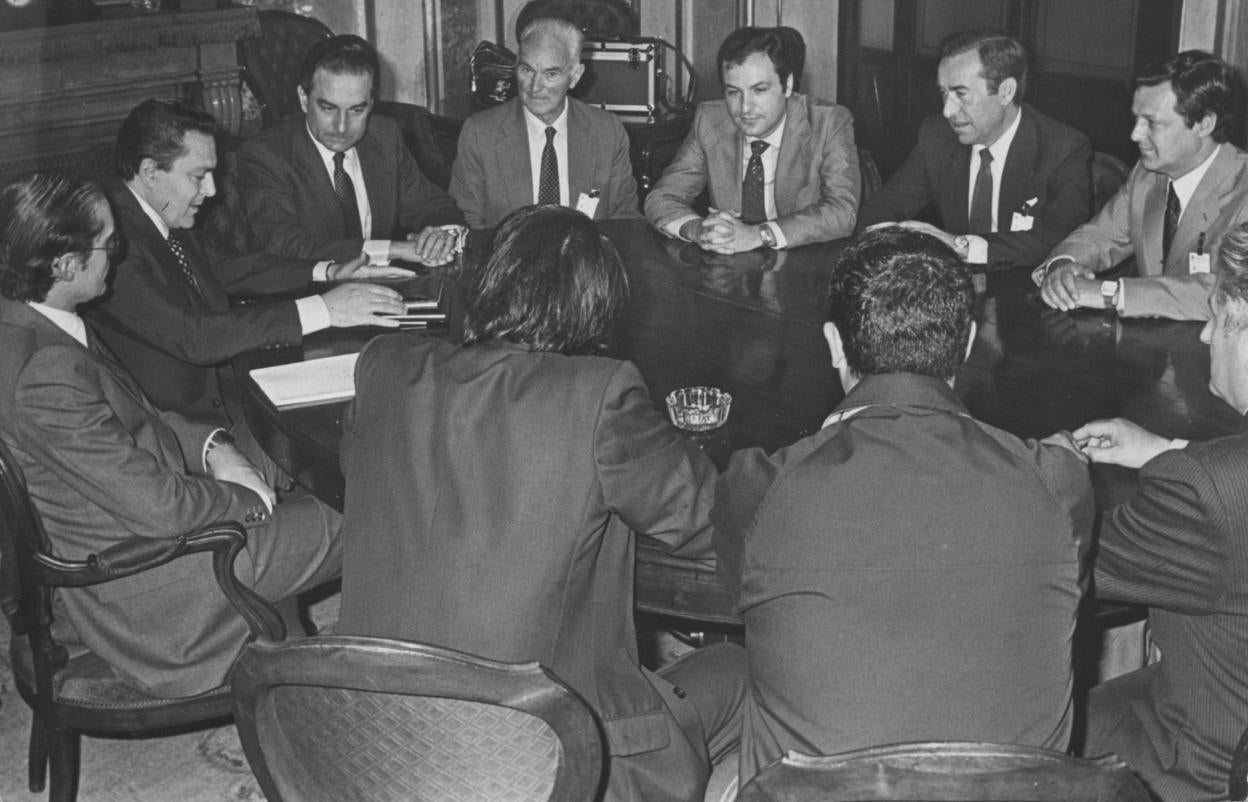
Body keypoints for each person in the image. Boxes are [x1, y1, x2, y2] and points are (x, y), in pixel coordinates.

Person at [336, 205, 745, 802]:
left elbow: (359, 469)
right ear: (597, 307)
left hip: (368, 734)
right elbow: (705, 519)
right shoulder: (598, 395)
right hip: (536, 751)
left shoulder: (383, 364)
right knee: (742, 668)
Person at [713, 227, 1093, 788]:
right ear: (966, 344)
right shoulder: (1059, 484)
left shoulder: (759, 485)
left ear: (835, 344)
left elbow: (735, 604)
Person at [0, 172, 341, 698]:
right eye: (109, 243)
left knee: (283, 453)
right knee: (358, 513)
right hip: (153, 583)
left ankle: (297, 663)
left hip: (139, 522)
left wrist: (217, 449)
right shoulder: (44, 374)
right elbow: (163, 508)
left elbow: (136, 420)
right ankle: (346, 685)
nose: (118, 253)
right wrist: (246, 500)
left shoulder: (30, 323)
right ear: (65, 265)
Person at [87, 98, 409, 427]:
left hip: (223, 393)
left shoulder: (160, 212)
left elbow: (231, 269)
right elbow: (194, 337)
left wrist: (329, 270)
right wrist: (324, 309)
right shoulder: (109, 244)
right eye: (199, 176)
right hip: (180, 425)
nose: (211, 191)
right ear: (150, 172)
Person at [1071, 222, 1248, 801]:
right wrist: (1164, 451)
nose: (1203, 340)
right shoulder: (1213, 473)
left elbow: (1070, 556)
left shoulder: (1206, 487)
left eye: (1219, 317)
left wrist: (1044, 462)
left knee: (1015, 731)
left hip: (1206, 762)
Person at [1037, 50, 1248, 320]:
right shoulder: (1147, 176)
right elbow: (1098, 237)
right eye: (1136, 119)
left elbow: (1230, 292)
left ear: (1204, 124)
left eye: (1152, 123)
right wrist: (1063, 268)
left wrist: (1112, 293)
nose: (1135, 134)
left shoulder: (1242, 188)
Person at [857, 29, 1091, 270]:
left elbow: (1061, 240)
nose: (948, 111)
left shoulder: (1062, 148)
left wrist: (963, 247)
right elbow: (884, 207)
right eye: (944, 93)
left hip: (1024, 291)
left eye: (961, 94)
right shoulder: (937, 136)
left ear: (1005, 92)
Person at [238, 34, 464, 263]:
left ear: (372, 104)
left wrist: (441, 233)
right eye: (328, 108)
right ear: (304, 99)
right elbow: (283, 244)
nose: (342, 126)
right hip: (311, 293)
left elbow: (432, 204)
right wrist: (392, 249)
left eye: (357, 110)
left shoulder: (385, 136)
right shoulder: (266, 154)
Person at [644, 26, 860, 253]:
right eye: (734, 92)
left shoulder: (829, 122)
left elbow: (843, 211)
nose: (745, 108)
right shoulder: (709, 120)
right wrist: (699, 230)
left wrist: (759, 234)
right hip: (730, 266)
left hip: (803, 263)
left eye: (759, 90)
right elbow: (661, 197)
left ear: (787, 85)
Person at [449, 16, 640, 229]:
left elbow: (625, 220)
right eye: (527, 70)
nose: (534, 86)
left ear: (575, 76)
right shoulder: (480, 133)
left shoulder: (607, 132)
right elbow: (466, 224)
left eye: (551, 74)